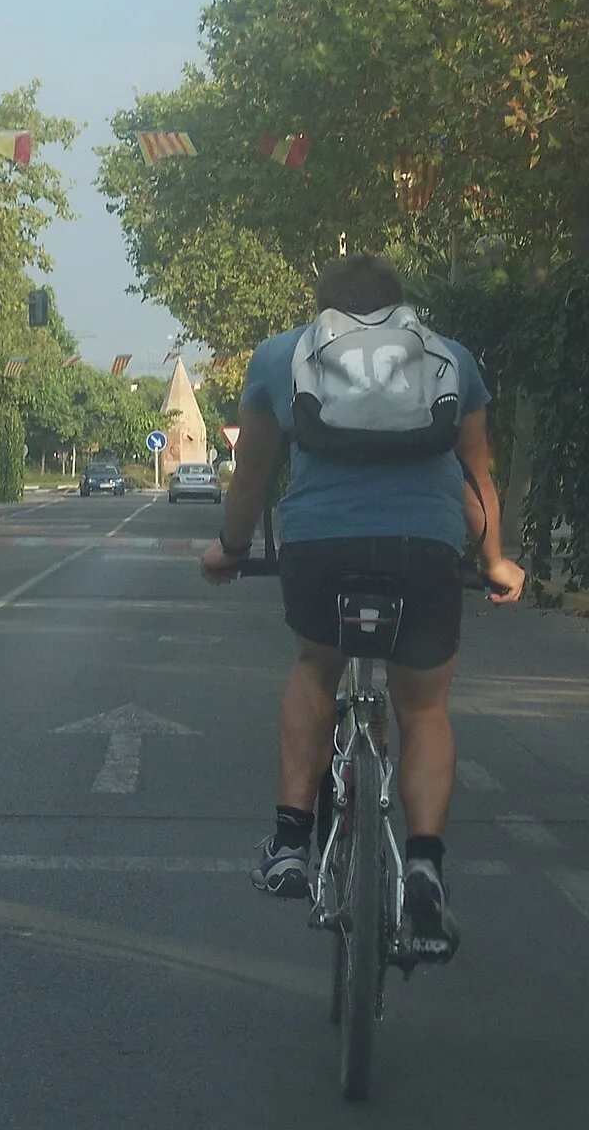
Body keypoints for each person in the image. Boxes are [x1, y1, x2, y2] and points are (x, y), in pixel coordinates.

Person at [200, 253, 526, 961]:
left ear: (324, 309)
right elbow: (478, 477)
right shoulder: (451, 358)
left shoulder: (281, 356)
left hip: (321, 547)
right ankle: (425, 866)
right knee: (423, 708)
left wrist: (228, 548)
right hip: (425, 547)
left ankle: (289, 841)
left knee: (316, 670)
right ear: (398, 305)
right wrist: (495, 561)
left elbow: (252, 476)